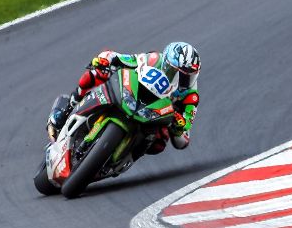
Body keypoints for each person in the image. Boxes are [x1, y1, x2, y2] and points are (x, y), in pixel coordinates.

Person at [49, 42, 201, 153]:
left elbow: (184, 136)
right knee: (98, 73)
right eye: (177, 73)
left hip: (155, 115)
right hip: (132, 94)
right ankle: (68, 107)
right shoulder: (154, 59)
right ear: (166, 64)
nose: (182, 80)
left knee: (160, 144)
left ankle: (127, 152)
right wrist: (105, 60)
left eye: (188, 76)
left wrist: (179, 125)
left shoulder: (191, 96)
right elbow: (123, 59)